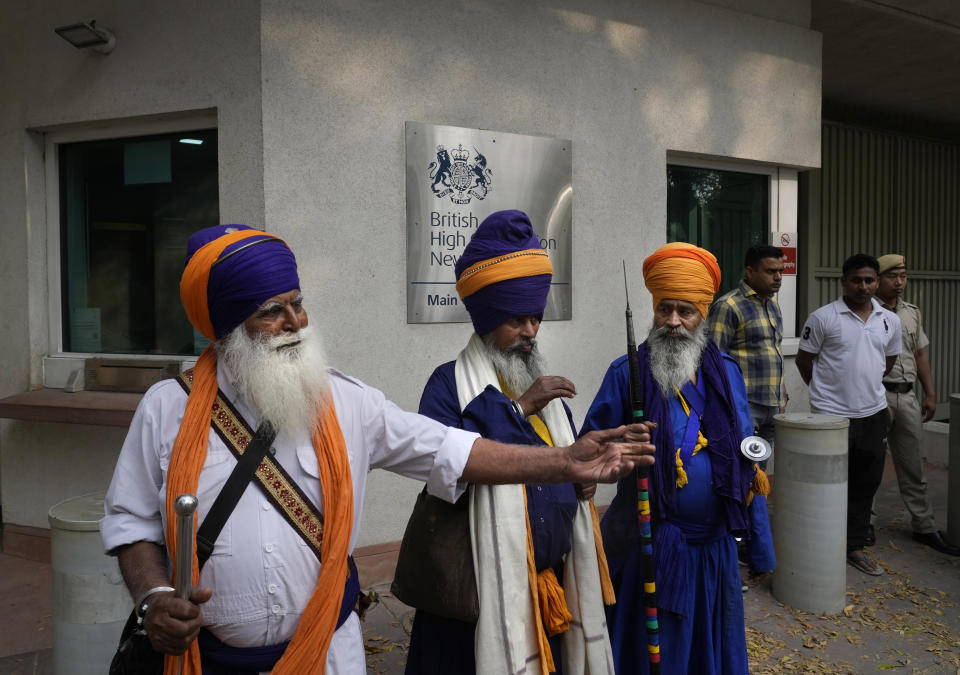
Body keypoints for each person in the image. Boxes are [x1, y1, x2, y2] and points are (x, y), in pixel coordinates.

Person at [99, 224, 655, 675]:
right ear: (225, 326)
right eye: (272, 310)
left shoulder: (346, 402)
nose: (296, 323)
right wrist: (153, 599)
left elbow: (451, 451)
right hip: (203, 662)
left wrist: (562, 460)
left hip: (327, 656)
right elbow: (131, 525)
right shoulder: (165, 409)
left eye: (298, 303)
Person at [405, 210, 614, 674]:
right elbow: (438, 470)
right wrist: (519, 410)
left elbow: (564, 461)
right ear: (487, 319)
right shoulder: (447, 385)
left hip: (549, 585)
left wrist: (586, 476)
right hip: (473, 598)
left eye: (536, 319)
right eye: (517, 320)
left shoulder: (545, 386)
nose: (531, 332)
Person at [581, 242, 776, 675]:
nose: (673, 322)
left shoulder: (727, 373)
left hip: (714, 551)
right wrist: (615, 451)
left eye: (685, 311)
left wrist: (760, 547)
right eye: (664, 309)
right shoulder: (626, 373)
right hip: (651, 544)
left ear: (702, 313)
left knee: (711, 651)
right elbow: (588, 452)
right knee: (657, 655)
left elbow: (748, 461)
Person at [796, 253, 901, 576]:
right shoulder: (824, 317)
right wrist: (825, 394)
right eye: (857, 280)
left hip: (873, 413)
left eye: (870, 280)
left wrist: (864, 388)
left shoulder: (889, 319)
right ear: (844, 281)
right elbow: (804, 360)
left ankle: (853, 546)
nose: (864, 286)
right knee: (826, 483)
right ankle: (819, 542)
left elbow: (889, 361)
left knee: (865, 483)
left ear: (876, 282)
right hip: (831, 417)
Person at [875, 254, 960, 556]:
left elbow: (920, 355)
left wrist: (931, 393)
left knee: (913, 463)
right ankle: (865, 525)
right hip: (876, 395)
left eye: (903, 276)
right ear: (879, 278)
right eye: (892, 276)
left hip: (908, 396)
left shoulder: (912, 313)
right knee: (871, 462)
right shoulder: (866, 311)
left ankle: (924, 526)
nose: (899, 282)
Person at [707, 244, 789, 465]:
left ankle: (756, 502)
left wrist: (782, 395)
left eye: (780, 271)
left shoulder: (773, 306)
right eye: (771, 271)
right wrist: (729, 404)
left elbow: (775, 352)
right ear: (750, 272)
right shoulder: (729, 306)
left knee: (760, 470)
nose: (778, 277)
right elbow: (713, 361)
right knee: (740, 468)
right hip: (744, 405)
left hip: (773, 404)